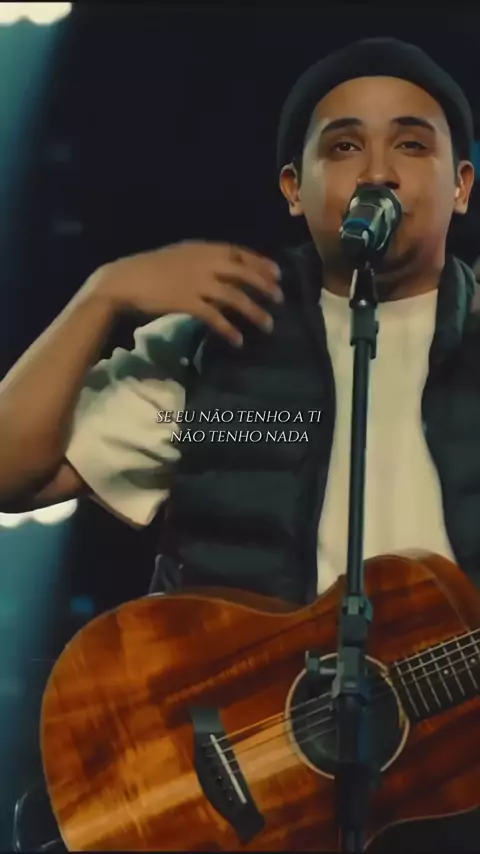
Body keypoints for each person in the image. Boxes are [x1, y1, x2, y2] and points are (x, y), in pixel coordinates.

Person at [2, 36, 480, 852]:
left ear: (462, 184)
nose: (377, 172)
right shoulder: (219, 336)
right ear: (294, 188)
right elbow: (13, 474)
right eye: (343, 147)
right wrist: (103, 295)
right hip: (228, 785)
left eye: (411, 145)